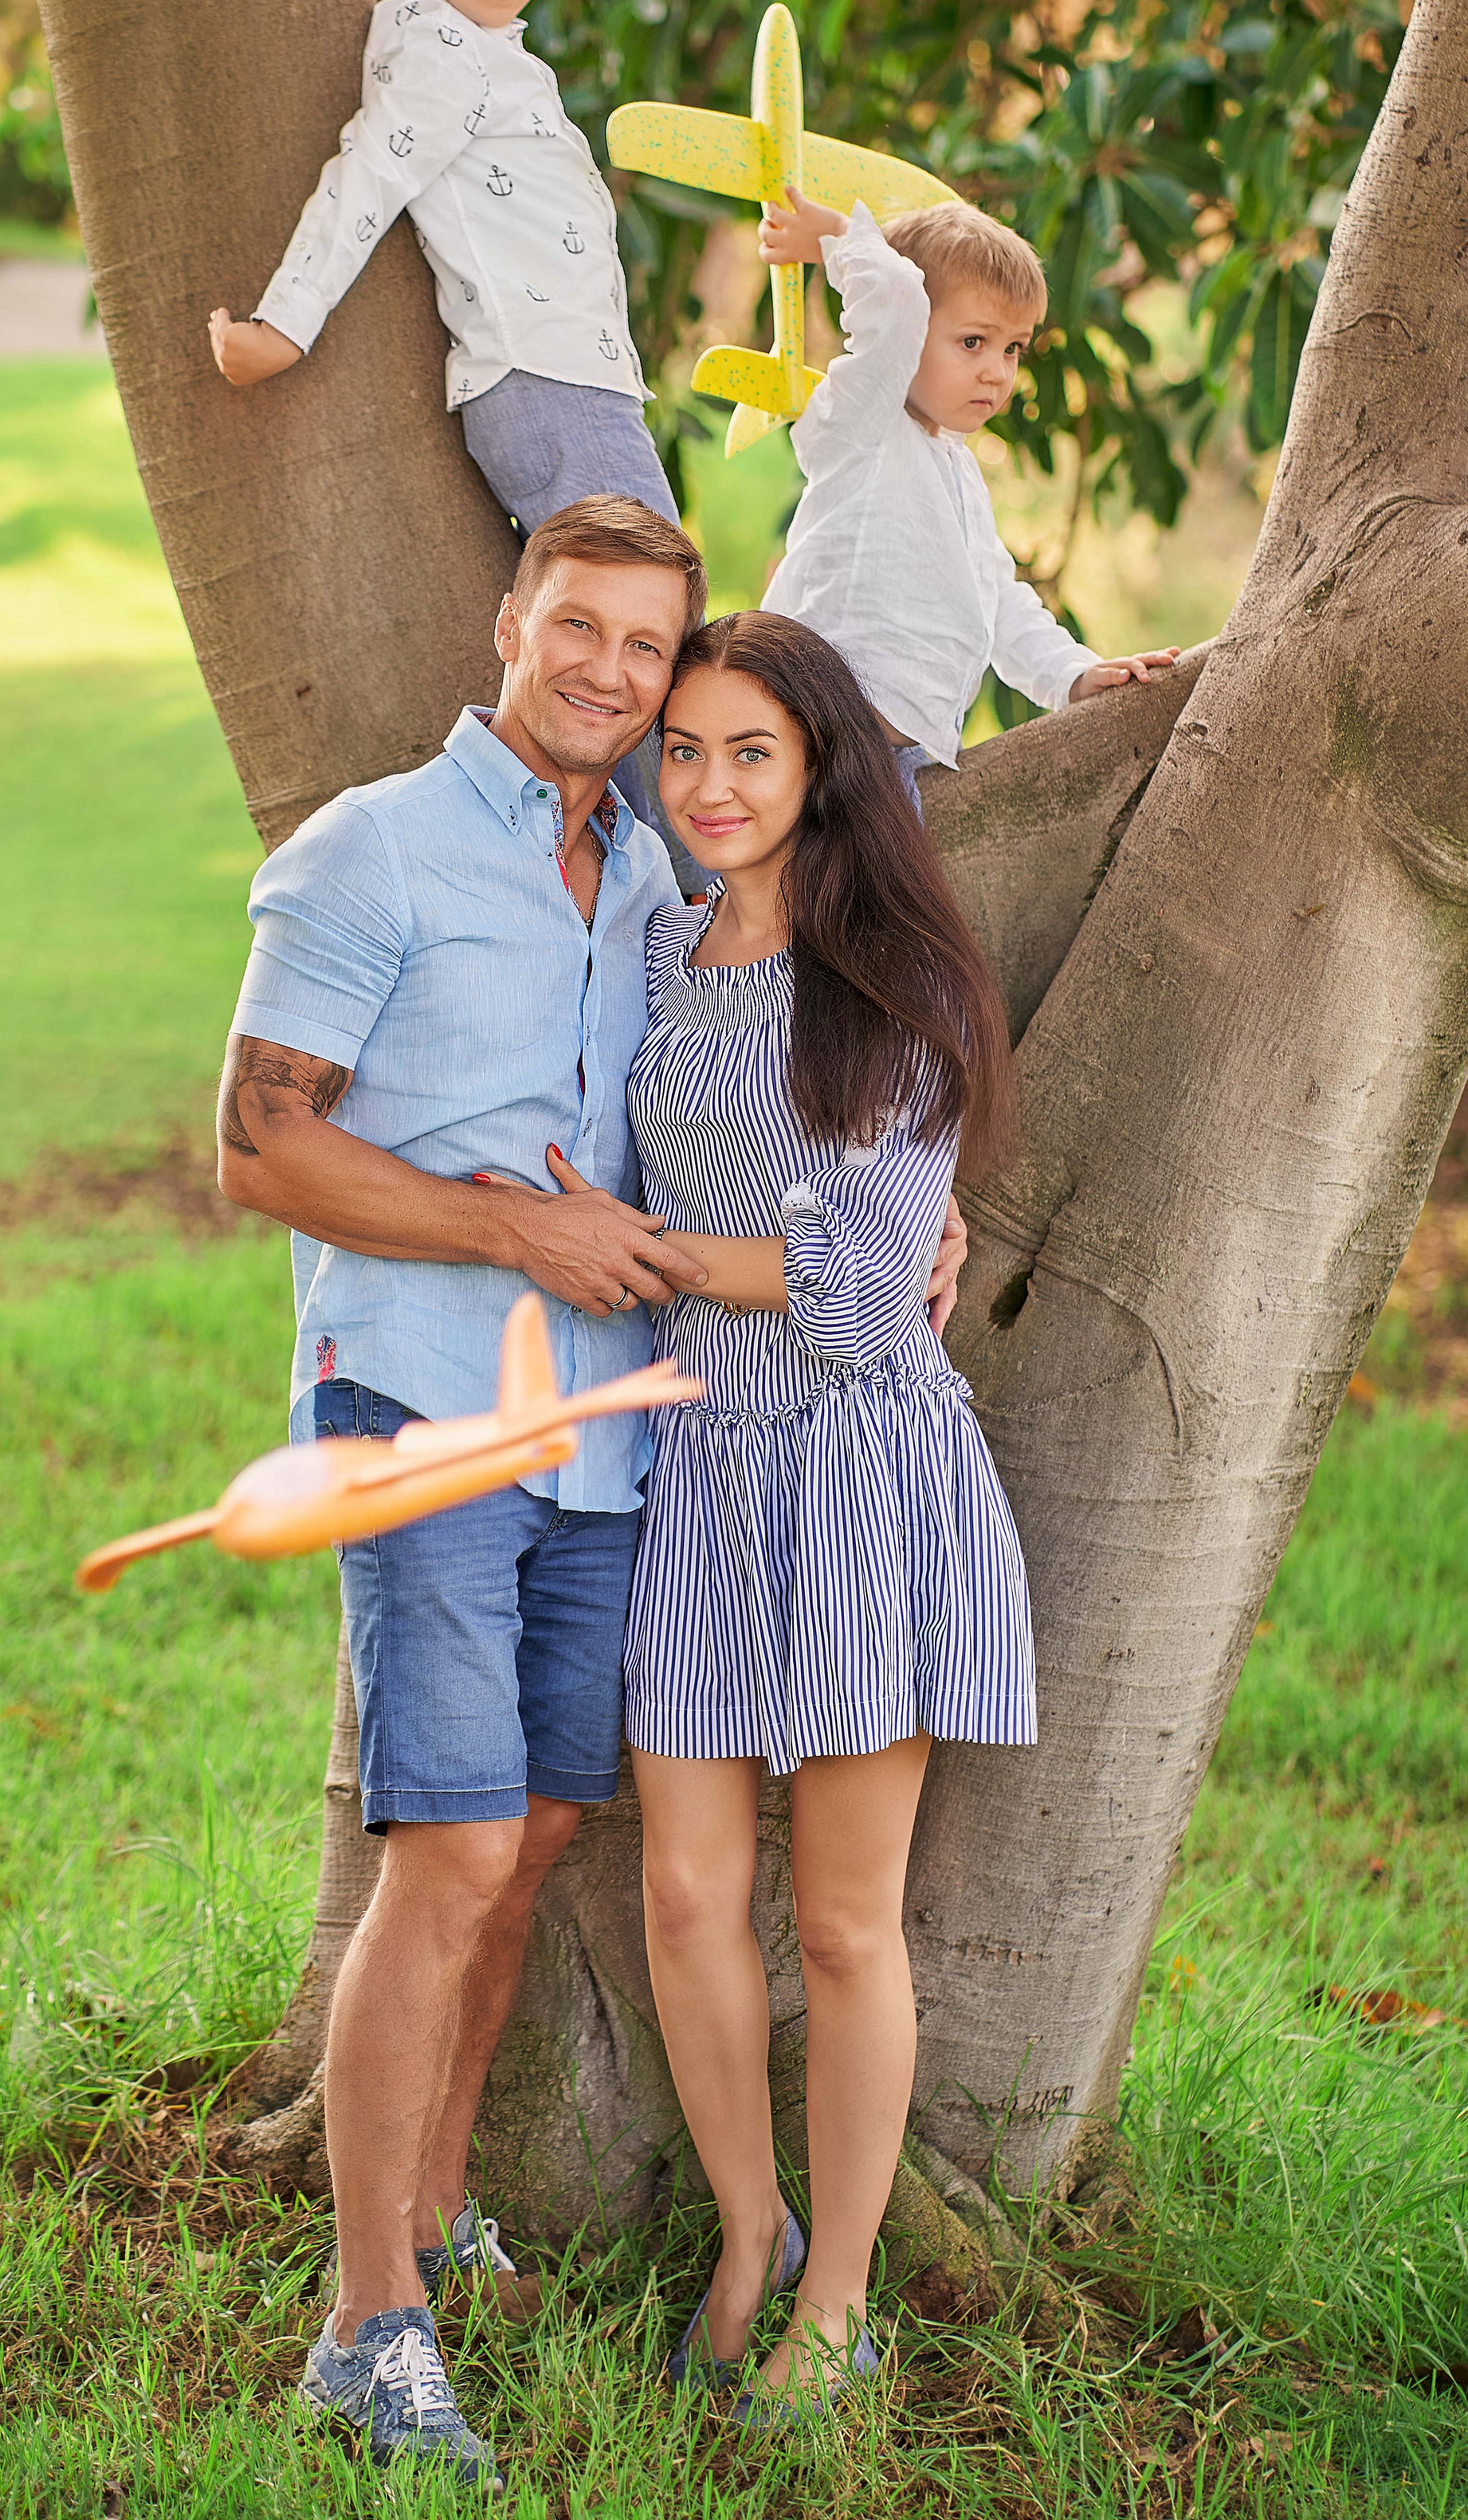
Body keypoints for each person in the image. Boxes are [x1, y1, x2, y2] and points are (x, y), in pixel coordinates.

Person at [214, 496, 713, 2487]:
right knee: (452, 1845)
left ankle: (427, 2212)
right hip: (421, 1408)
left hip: (605, 1431)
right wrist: (515, 1234)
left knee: (538, 1831)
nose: (606, 669)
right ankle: (363, 2326)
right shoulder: (371, 848)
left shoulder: (656, 868)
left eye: (644, 645)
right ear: (510, 619)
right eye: (576, 624)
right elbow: (260, 1148)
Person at [612, 609, 1033, 2420]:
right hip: (696, 1462)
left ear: (820, 768)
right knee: (686, 1890)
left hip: (860, 1471)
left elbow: (865, 1297)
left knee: (848, 1923)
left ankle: (842, 2303)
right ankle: (748, 2232)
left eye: (750, 752)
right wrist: (705, 1258)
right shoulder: (647, 945)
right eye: (683, 749)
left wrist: (651, 1252)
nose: (708, 785)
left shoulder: (895, 987)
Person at [206, 0, 675, 539]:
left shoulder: (475, 48)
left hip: (561, 381)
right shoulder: (446, 56)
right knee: (650, 583)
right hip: (551, 382)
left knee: (610, 591)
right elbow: (365, 179)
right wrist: (284, 326)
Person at [757, 189, 1180, 799]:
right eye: (973, 342)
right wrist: (836, 237)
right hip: (816, 731)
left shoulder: (958, 471)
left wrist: (1072, 674)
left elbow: (996, 600)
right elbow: (895, 301)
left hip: (893, 759)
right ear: (911, 336)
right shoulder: (864, 425)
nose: (997, 372)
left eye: (1013, 349)